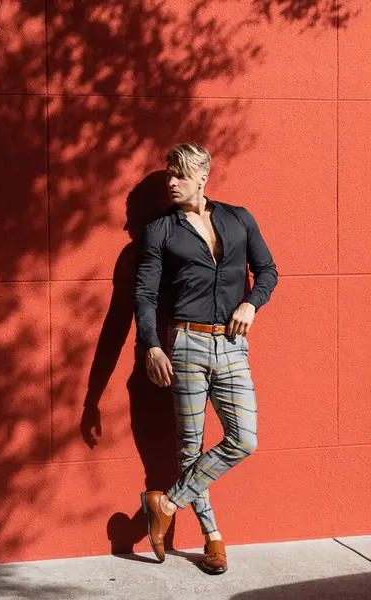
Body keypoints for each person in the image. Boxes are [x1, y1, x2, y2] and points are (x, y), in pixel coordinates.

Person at [135, 142, 278, 574]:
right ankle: (212, 537)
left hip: (232, 345)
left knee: (244, 440)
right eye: (168, 176)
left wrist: (251, 303)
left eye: (179, 175)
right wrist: (152, 346)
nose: (171, 183)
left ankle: (166, 502)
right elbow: (143, 294)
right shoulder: (160, 229)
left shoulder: (238, 218)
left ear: (203, 177)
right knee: (190, 447)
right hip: (186, 345)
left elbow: (268, 270)